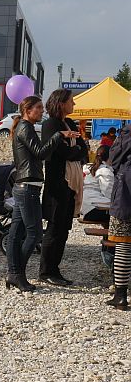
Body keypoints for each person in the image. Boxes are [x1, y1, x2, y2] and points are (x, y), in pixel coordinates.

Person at [4, 96, 60, 292]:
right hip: (28, 187)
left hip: (25, 186)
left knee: (16, 233)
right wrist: (57, 136)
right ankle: (17, 273)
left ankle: (14, 274)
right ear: (27, 110)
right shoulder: (25, 127)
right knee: (34, 233)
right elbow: (40, 152)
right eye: (38, 108)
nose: (42, 111)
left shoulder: (23, 127)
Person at [39, 89, 89, 286]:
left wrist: (74, 150)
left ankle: (55, 269)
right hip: (58, 183)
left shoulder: (70, 123)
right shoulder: (50, 124)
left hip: (72, 183)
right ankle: (46, 271)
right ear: (61, 103)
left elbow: (83, 149)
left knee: (65, 229)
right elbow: (61, 153)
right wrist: (75, 150)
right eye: (71, 101)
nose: (74, 105)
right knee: (54, 228)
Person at [106, 124, 131, 308]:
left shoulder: (128, 131)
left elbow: (114, 157)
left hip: (127, 194)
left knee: (123, 244)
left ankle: (121, 294)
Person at [81, 145, 112, 224]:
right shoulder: (105, 171)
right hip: (95, 210)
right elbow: (108, 193)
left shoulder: (92, 168)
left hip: (86, 208)